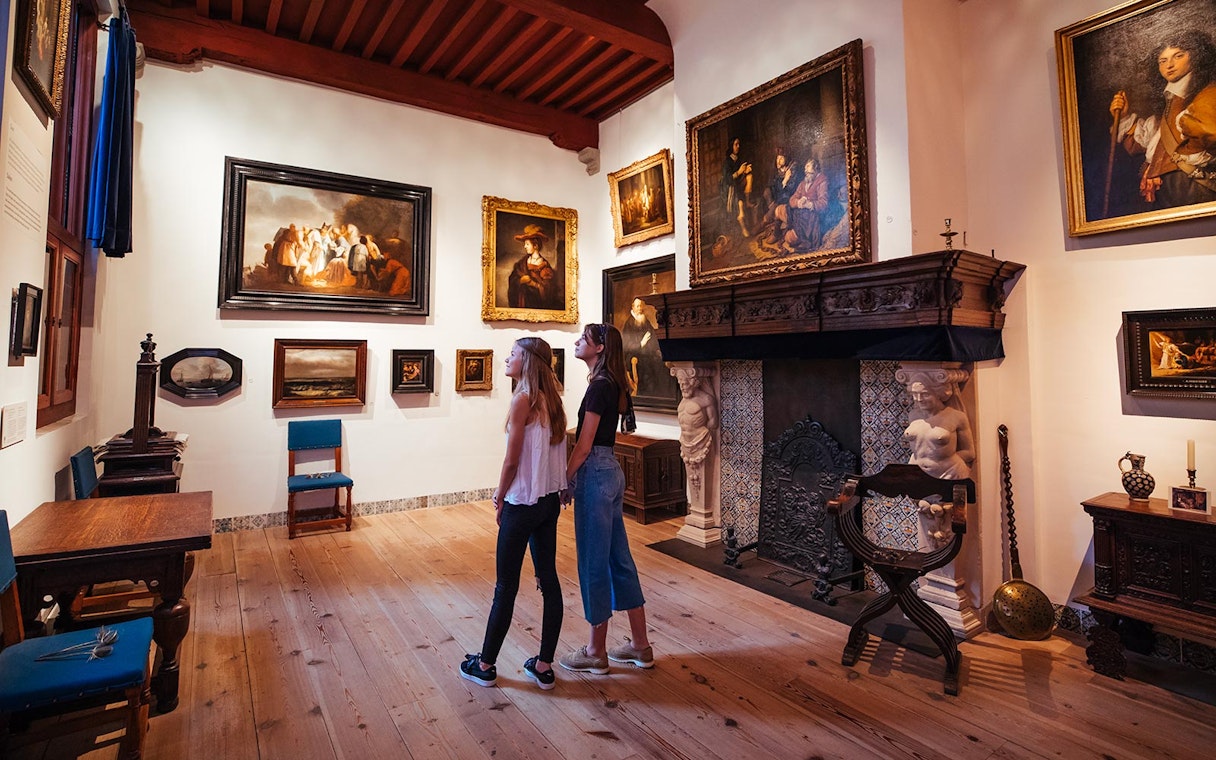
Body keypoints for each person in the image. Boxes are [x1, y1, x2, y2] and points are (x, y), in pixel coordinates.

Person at [460, 337, 567, 690]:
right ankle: (544, 665)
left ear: (529, 361)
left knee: (505, 585)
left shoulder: (522, 400)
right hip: (548, 503)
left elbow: (512, 459)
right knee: (548, 581)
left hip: (522, 504)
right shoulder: (553, 401)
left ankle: (486, 664)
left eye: (513, 354)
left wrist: (500, 493)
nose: (507, 358)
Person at [559, 324, 654, 674]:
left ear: (599, 348)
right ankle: (640, 646)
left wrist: (563, 479)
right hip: (610, 471)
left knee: (592, 563)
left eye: (583, 339)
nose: (576, 342)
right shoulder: (611, 384)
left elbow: (583, 446)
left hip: (596, 474)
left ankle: (595, 651)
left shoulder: (599, 387)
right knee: (619, 560)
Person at [1109, 31, 1216, 210]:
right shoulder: (1169, 101)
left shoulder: (1208, 94)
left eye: (1178, 56)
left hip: (1190, 184)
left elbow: (1208, 133)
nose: (1170, 65)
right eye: (1163, 60)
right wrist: (1125, 116)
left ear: (1196, 56)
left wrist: (1177, 158)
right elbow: (1146, 143)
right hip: (1167, 189)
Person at [902, 374, 976, 479]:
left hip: (949, 473)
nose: (919, 399)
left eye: (925, 394)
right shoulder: (913, 415)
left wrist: (944, 462)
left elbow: (970, 453)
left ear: (939, 393)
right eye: (915, 394)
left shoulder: (956, 416)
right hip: (916, 473)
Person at [507, 224, 560, 310]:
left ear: (535, 245)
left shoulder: (545, 267)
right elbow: (512, 279)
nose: (525, 247)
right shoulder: (521, 264)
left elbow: (549, 292)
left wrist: (533, 284)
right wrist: (520, 281)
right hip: (522, 304)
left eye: (527, 244)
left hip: (537, 305)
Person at [784, 157, 830, 251]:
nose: (807, 174)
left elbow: (824, 204)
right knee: (778, 210)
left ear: (816, 170)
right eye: (806, 172)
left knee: (788, 238)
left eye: (809, 173)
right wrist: (798, 202)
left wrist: (809, 204)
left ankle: (804, 240)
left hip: (811, 219)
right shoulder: (803, 183)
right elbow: (792, 199)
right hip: (800, 214)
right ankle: (777, 234)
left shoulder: (822, 182)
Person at [722, 136, 755, 237]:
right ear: (731, 146)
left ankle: (748, 201)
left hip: (738, 184)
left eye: (739, 144)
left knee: (750, 176)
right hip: (730, 187)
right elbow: (728, 179)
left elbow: (741, 174)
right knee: (739, 202)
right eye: (736, 144)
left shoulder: (739, 159)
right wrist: (739, 171)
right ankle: (743, 226)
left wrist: (745, 170)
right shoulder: (727, 162)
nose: (738, 146)